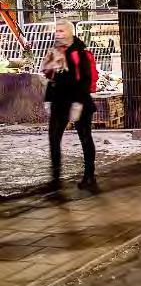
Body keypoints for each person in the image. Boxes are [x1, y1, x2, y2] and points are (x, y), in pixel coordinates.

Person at [41, 21, 97, 191]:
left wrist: (78, 103)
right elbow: (51, 78)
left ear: (70, 33)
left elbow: (86, 79)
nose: (58, 34)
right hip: (59, 102)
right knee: (53, 139)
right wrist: (48, 98)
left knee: (85, 138)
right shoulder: (54, 51)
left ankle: (89, 176)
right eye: (56, 31)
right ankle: (55, 179)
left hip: (78, 100)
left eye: (62, 31)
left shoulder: (80, 53)